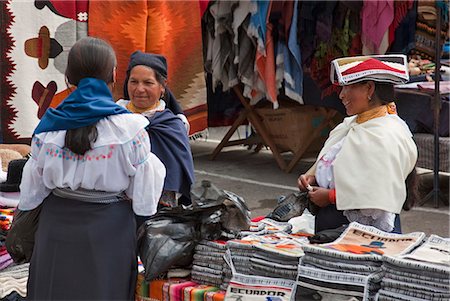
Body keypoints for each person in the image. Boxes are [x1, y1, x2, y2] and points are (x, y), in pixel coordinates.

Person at [18, 37, 166, 300]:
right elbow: (144, 202)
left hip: (56, 228)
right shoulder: (130, 130)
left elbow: (31, 195)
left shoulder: (48, 128)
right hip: (109, 231)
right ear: (114, 74)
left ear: (67, 77)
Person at [298, 54, 418, 234]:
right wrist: (314, 176)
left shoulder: (386, 134)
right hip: (332, 225)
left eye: (347, 87)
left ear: (369, 89)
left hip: (364, 233)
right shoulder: (352, 125)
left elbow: (377, 192)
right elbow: (338, 162)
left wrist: (330, 196)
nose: (341, 95)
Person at [117, 51, 195, 208]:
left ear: (162, 87)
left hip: (158, 209)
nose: (139, 89)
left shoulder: (172, 127)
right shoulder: (114, 118)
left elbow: (176, 175)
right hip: (114, 205)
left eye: (148, 83)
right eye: (133, 82)